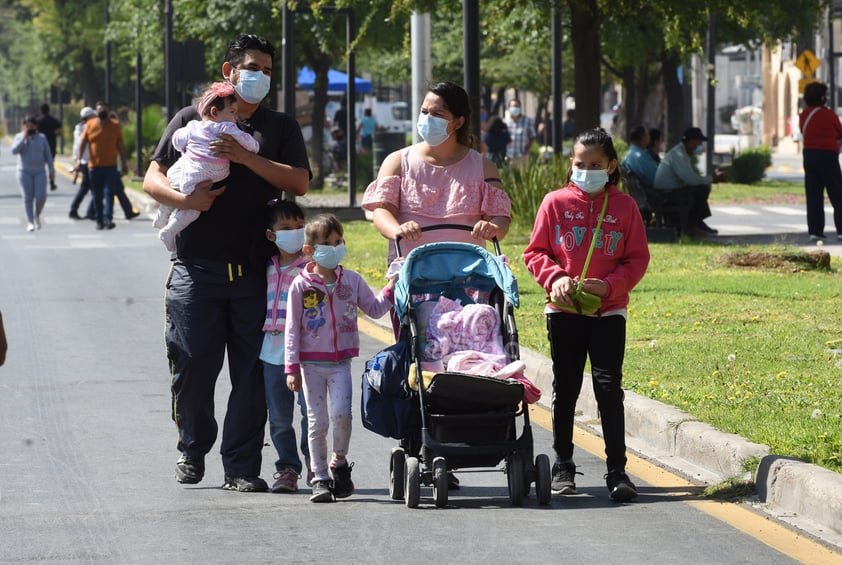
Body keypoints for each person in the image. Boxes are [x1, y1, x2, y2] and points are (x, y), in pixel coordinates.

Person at [142, 33, 310, 493]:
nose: (260, 76)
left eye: (268, 70)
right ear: (229, 72)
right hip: (196, 272)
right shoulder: (191, 116)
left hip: (257, 275)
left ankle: (240, 465)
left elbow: (299, 180)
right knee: (193, 366)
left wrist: (243, 157)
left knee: (252, 376)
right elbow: (151, 178)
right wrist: (185, 198)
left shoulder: (279, 127)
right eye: (252, 67)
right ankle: (191, 449)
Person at [361, 80, 512, 489]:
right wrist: (398, 228)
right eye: (424, 110)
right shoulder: (399, 161)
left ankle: (460, 437)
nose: (426, 118)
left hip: (469, 283)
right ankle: (419, 442)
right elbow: (380, 212)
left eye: (437, 113)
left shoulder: (481, 166)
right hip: (414, 279)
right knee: (417, 358)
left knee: (468, 357)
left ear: (458, 121)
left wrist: (489, 225)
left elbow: (500, 218)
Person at [523, 128, 650, 502]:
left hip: (609, 312)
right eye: (580, 164)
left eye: (596, 165)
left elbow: (637, 258)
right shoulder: (554, 203)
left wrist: (610, 286)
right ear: (571, 165)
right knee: (566, 389)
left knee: (609, 390)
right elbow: (536, 253)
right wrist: (555, 277)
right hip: (563, 311)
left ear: (611, 166)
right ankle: (563, 464)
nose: (587, 170)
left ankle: (617, 470)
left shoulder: (625, 207)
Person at [284, 213, 397, 503]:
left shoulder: (352, 281)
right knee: (317, 421)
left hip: (340, 364)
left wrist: (391, 288)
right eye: (327, 244)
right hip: (310, 365)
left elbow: (374, 309)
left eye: (338, 242)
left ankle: (339, 462)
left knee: (342, 416)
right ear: (309, 250)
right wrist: (291, 367)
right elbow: (292, 329)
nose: (334, 248)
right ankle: (319, 476)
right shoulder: (301, 285)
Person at [153, 82, 260, 251]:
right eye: (232, 112)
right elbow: (251, 144)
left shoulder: (193, 126)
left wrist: (185, 150)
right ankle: (169, 231)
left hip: (187, 169)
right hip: (207, 175)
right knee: (193, 209)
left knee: (174, 184)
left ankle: (162, 214)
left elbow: (176, 140)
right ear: (215, 112)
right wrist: (253, 147)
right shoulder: (227, 127)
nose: (235, 118)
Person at [261, 199, 312, 493]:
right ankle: (287, 468)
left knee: (311, 414)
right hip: (271, 354)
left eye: (299, 227)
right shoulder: (265, 267)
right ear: (271, 235)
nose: (294, 233)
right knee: (279, 417)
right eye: (286, 228)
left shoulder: (312, 269)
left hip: (307, 355)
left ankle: (314, 462)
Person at [653, 126, 723, 237]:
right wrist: (712, 179)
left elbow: (691, 178)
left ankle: (697, 222)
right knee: (702, 189)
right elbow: (691, 180)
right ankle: (691, 227)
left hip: (670, 191)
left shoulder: (682, 152)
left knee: (700, 188)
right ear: (690, 141)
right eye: (697, 143)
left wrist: (707, 179)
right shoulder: (678, 154)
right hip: (666, 194)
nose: (699, 146)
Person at [72, 101, 129, 230]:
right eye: (99, 110)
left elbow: (120, 145)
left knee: (109, 193)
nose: (102, 112)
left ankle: (107, 219)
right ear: (96, 112)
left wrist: (125, 162)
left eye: (105, 109)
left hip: (110, 167)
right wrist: (78, 161)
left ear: (109, 112)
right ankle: (99, 220)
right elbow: (82, 144)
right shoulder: (90, 125)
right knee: (97, 195)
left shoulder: (115, 126)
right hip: (94, 167)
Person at [798, 81, 842, 242]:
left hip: (809, 155)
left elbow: (802, 130)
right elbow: (839, 132)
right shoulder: (829, 114)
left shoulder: (804, 114)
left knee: (814, 194)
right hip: (828, 156)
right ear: (823, 98)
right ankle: (841, 230)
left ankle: (815, 231)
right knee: (837, 194)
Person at [11, 116, 55, 232]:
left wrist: (51, 169)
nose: (30, 128)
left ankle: (37, 215)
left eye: (32, 126)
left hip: (39, 171)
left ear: (36, 126)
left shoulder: (42, 138)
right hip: (24, 171)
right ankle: (30, 221)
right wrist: (23, 139)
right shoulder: (19, 137)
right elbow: (14, 151)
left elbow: (48, 155)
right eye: (27, 126)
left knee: (41, 196)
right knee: (27, 197)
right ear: (24, 127)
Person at [69, 107, 97, 220]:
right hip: (89, 162)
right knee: (96, 189)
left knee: (86, 188)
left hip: (84, 161)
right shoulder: (86, 129)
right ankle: (88, 211)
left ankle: (76, 209)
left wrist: (77, 160)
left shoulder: (78, 128)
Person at [504, 98, 536, 168]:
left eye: (517, 106)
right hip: (508, 156)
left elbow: (533, 136)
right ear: (509, 108)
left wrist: (527, 150)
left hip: (522, 155)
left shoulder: (527, 120)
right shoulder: (505, 122)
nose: (515, 108)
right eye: (513, 106)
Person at [37, 103, 62, 185]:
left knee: (40, 166)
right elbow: (59, 132)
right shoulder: (54, 120)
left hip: (40, 146)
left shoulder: (38, 121)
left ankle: (40, 181)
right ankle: (52, 181)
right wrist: (53, 134)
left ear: (41, 111)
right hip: (51, 144)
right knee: (51, 165)